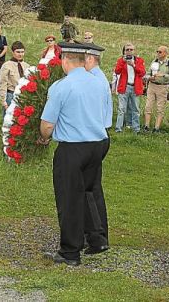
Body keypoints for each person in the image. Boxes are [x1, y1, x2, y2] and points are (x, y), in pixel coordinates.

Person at [39, 42, 110, 266]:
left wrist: (44, 137)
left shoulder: (62, 86)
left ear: (65, 60)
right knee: (89, 191)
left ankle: (70, 251)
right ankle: (97, 238)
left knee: (70, 198)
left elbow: (47, 124)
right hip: (97, 144)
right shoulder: (99, 82)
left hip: (73, 147)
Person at [83, 42, 112, 251]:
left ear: (91, 59)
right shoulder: (98, 78)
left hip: (93, 136)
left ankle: (96, 237)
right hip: (100, 135)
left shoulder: (93, 79)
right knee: (93, 188)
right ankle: (97, 233)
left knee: (87, 189)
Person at [143, 45, 169, 133]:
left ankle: (156, 128)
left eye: (160, 52)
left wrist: (163, 75)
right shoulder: (154, 61)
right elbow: (148, 73)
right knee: (148, 106)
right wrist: (148, 78)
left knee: (160, 108)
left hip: (162, 86)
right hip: (152, 85)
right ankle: (146, 126)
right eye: (157, 51)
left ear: (165, 53)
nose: (158, 53)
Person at [113, 43, 145, 133]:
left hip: (135, 87)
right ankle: (118, 129)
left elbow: (142, 72)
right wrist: (123, 62)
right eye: (127, 50)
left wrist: (134, 65)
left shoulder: (139, 60)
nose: (129, 51)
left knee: (136, 109)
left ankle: (136, 129)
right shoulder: (121, 60)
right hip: (124, 87)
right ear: (124, 51)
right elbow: (117, 71)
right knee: (121, 109)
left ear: (134, 51)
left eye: (131, 49)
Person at [0, 41, 29, 110]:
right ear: (13, 52)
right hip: (11, 95)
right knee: (9, 119)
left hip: (24, 96)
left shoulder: (27, 66)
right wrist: (4, 102)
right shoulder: (6, 65)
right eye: (18, 52)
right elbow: (2, 84)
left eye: (22, 52)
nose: (20, 54)